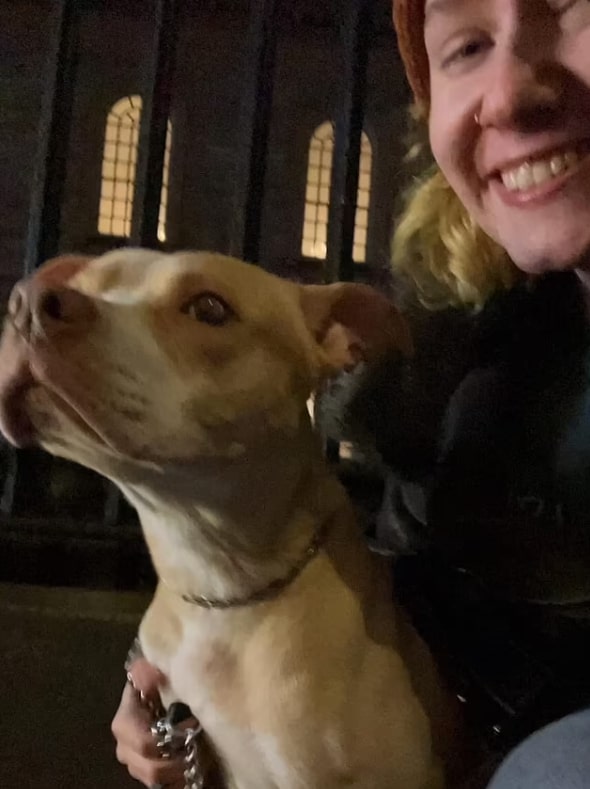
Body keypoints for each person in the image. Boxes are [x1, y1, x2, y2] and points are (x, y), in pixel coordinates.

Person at [111, 0, 590, 786]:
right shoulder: (452, 341)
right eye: (467, 46)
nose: (506, 94)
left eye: (574, 10)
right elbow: (388, 583)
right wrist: (170, 661)